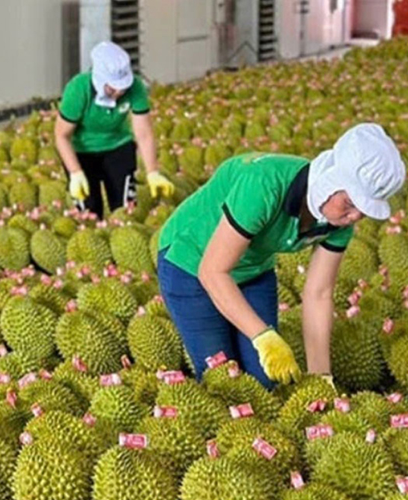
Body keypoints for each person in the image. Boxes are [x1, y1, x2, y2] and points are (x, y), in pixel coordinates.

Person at [156, 123, 406, 389]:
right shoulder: (264, 184)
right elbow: (212, 272)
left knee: (267, 380)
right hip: (190, 261)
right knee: (222, 376)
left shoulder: (339, 222)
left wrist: (321, 377)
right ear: (331, 181)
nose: (354, 216)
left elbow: (319, 293)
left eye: (363, 210)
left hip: (254, 268)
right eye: (350, 203)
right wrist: (263, 337)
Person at [55, 41, 174, 219]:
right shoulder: (78, 89)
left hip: (118, 147)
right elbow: (61, 136)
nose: (118, 93)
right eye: (112, 88)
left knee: (126, 209)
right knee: (89, 212)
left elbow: (144, 133)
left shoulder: (135, 88)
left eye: (123, 88)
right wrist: (75, 172)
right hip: (82, 151)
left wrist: (152, 172)